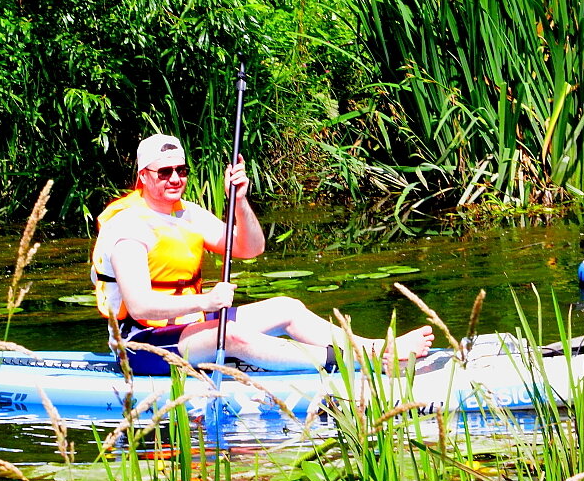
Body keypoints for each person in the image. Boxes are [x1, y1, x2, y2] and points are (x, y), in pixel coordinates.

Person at [91, 133, 434, 375]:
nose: (175, 179)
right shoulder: (128, 228)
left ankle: (372, 347)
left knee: (287, 307)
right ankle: (363, 361)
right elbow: (140, 306)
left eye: (181, 170)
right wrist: (206, 303)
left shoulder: (188, 214)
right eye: (164, 172)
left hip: (188, 328)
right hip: (140, 344)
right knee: (233, 336)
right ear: (143, 178)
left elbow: (249, 248)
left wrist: (239, 202)